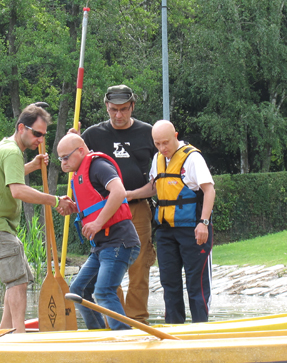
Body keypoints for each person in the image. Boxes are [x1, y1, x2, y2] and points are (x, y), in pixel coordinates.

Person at [0, 103, 75, 333]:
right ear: (21, 128)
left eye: (44, 135)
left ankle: (5, 330)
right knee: (17, 279)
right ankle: (18, 335)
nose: (40, 139)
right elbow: (17, 191)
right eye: (36, 133)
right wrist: (54, 200)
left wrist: (32, 166)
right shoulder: (11, 151)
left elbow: (9, 176)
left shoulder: (8, 149)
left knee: (21, 276)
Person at [81, 84, 157, 324]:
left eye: (124, 109)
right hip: (104, 213)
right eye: (113, 110)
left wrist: (131, 194)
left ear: (132, 106)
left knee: (139, 266)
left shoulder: (149, 133)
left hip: (137, 209)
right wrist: (73, 140)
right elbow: (76, 167)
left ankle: (138, 321)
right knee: (109, 265)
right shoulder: (92, 135)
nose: (119, 115)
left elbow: (159, 176)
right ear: (106, 106)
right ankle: (116, 321)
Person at [126, 120, 216, 324]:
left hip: (192, 229)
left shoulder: (192, 158)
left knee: (196, 282)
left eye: (165, 143)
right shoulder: (158, 158)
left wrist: (204, 222)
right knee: (169, 282)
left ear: (175, 136)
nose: (162, 148)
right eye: (157, 144)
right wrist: (131, 194)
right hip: (166, 231)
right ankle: (174, 328)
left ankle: (201, 328)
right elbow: (154, 188)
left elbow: (209, 190)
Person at [57, 133, 141, 329]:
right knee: (78, 290)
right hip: (101, 246)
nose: (63, 163)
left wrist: (97, 224)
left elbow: (119, 192)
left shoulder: (98, 165)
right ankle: (97, 333)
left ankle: (123, 338)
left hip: (119, 241)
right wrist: (75, 207)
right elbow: (95, 203)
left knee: (103, 291)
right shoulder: (79, 174)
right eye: (60, 159)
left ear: (80, 151)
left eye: (65, 157)